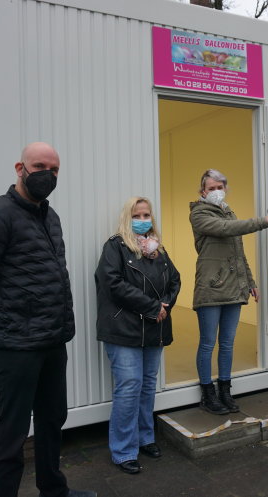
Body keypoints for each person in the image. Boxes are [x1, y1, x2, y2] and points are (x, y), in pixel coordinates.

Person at [0, 142, 95, 497]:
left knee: (52, 421)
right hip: (16, 345)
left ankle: (54, 489)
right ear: (20, 168)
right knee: (12, 432)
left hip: (52, 340)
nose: (47, 175)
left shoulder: (51, 217)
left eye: (55, 169)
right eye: (39, 166)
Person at [95, 197, 181, 475]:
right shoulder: (115, 247)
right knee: (129, 387)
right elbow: (112, 284)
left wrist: (165, 304)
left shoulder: (158, 249)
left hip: (154, 327)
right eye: (137, 214)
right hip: (124, 329)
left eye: (146, 214)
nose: (143, 219)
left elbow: (175, 280)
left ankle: (145, 438)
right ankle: (123, 450)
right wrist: (152, 307)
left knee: (146, 385)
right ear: (127, 218)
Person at [190, 169, 268, 414]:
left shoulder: (229, 211)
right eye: (211, 188)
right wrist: (264, 220)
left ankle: (225, 390)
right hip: (211, 287)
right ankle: (208, 394)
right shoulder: (199, 213)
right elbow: (226, 229)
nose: (216, 191)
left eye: (220, 187)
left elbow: (238, 253)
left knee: (228, 343)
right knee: (208, 343)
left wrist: (250, 281)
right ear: (202, 192)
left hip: (234, 287)